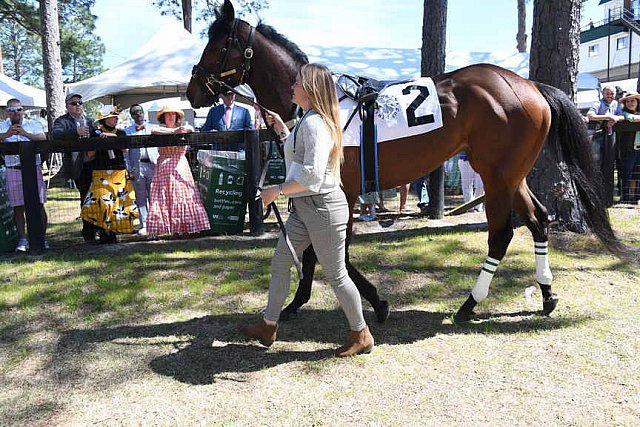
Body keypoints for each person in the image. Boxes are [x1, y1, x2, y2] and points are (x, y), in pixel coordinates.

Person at [242, 63, 375, 358]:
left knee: (337, 275)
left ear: (311, 89)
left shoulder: (315, 123)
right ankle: (268, 325)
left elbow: (311, 176)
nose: (292, 86)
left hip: (323, 208)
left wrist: (275, 191)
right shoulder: (308, 119)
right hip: (306, 208)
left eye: (297, 82)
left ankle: (361, 333)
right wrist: (283, 129)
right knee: (280, 262)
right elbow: (300, 157)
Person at [146, 104, 210, 236]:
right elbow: (154, 131)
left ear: (177, 117)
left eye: (173, 114)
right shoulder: (159, 129)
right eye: (167, 114)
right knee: (164, 196)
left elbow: (190, 128)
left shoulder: (184, 127)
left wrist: (179, 130)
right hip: (164, 166)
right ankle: (169, 228)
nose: (170, 116)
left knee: (183, 195)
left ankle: (186, 227)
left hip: (180, 165)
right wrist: (174, 132)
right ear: (163, 117)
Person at [80, 106, 138, 243]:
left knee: (118, 204)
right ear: (105, 119)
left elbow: (125, 149)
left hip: (118, 171)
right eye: (113, 117)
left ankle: (112, 232)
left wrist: (113, 138)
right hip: (100, 171)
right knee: (101, 203)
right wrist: (99, 142)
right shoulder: (95, 133)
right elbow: (90, 154)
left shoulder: (121, 133)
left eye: (116, 117)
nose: (116, 119)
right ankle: (100, 231)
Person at [0, 98, 48, 252]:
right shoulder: (2, 126)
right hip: (12, 168)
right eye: (12, 110)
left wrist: (25, 133)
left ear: (23, 111)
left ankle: (41, 238)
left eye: (19, 109)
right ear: (7, 111)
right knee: (18, 206)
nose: (16, 113)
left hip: (33, 167)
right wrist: (6, 135)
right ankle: (22, 239)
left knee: (39, 204)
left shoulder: (33, 124)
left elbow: (42, 138)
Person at [52, 93, 98, 241]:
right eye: (74, 103)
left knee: (99, 197)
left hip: (96, 164)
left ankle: (102, 229)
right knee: (86, 197)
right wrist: (75, 132)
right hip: (79, 166)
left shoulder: (91, 121)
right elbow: (56, 135)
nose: (78, 105)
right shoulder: (62, 121)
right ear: (67, 106)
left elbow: (99, 134)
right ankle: (89, 232)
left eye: (80, 102)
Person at [124, 104, 158, 234]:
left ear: (144, 113)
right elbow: (125, 153)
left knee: (154, 196)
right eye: (135, 113)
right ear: (132, 116)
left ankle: (156, 223)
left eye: (140, 112)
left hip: (153, 165)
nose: (138, 114)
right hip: (137, 167)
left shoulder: (154, 128)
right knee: (140, 197)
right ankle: (144, 224)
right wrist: (129, 170)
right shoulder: (127, 132)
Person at [585, 85, 621, 166]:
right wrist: (608, 117)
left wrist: (615, 119)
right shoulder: (598, 103)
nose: (610, 96)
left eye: (612, 93)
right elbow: (590, 116)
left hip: (610, 135)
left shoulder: (616, 103)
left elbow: (622, 116)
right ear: (602, 94)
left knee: (609, 159)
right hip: (598, 135)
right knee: (596, 159)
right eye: (607, 93)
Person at [615, 92, 640, 203]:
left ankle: (634, 197)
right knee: (627, 174)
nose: (630, 103)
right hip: (629, 150)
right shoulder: (624, 114)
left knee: (636, 175)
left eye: (632, 101)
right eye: (628, 101)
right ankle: (625, 197)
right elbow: (632, 119)